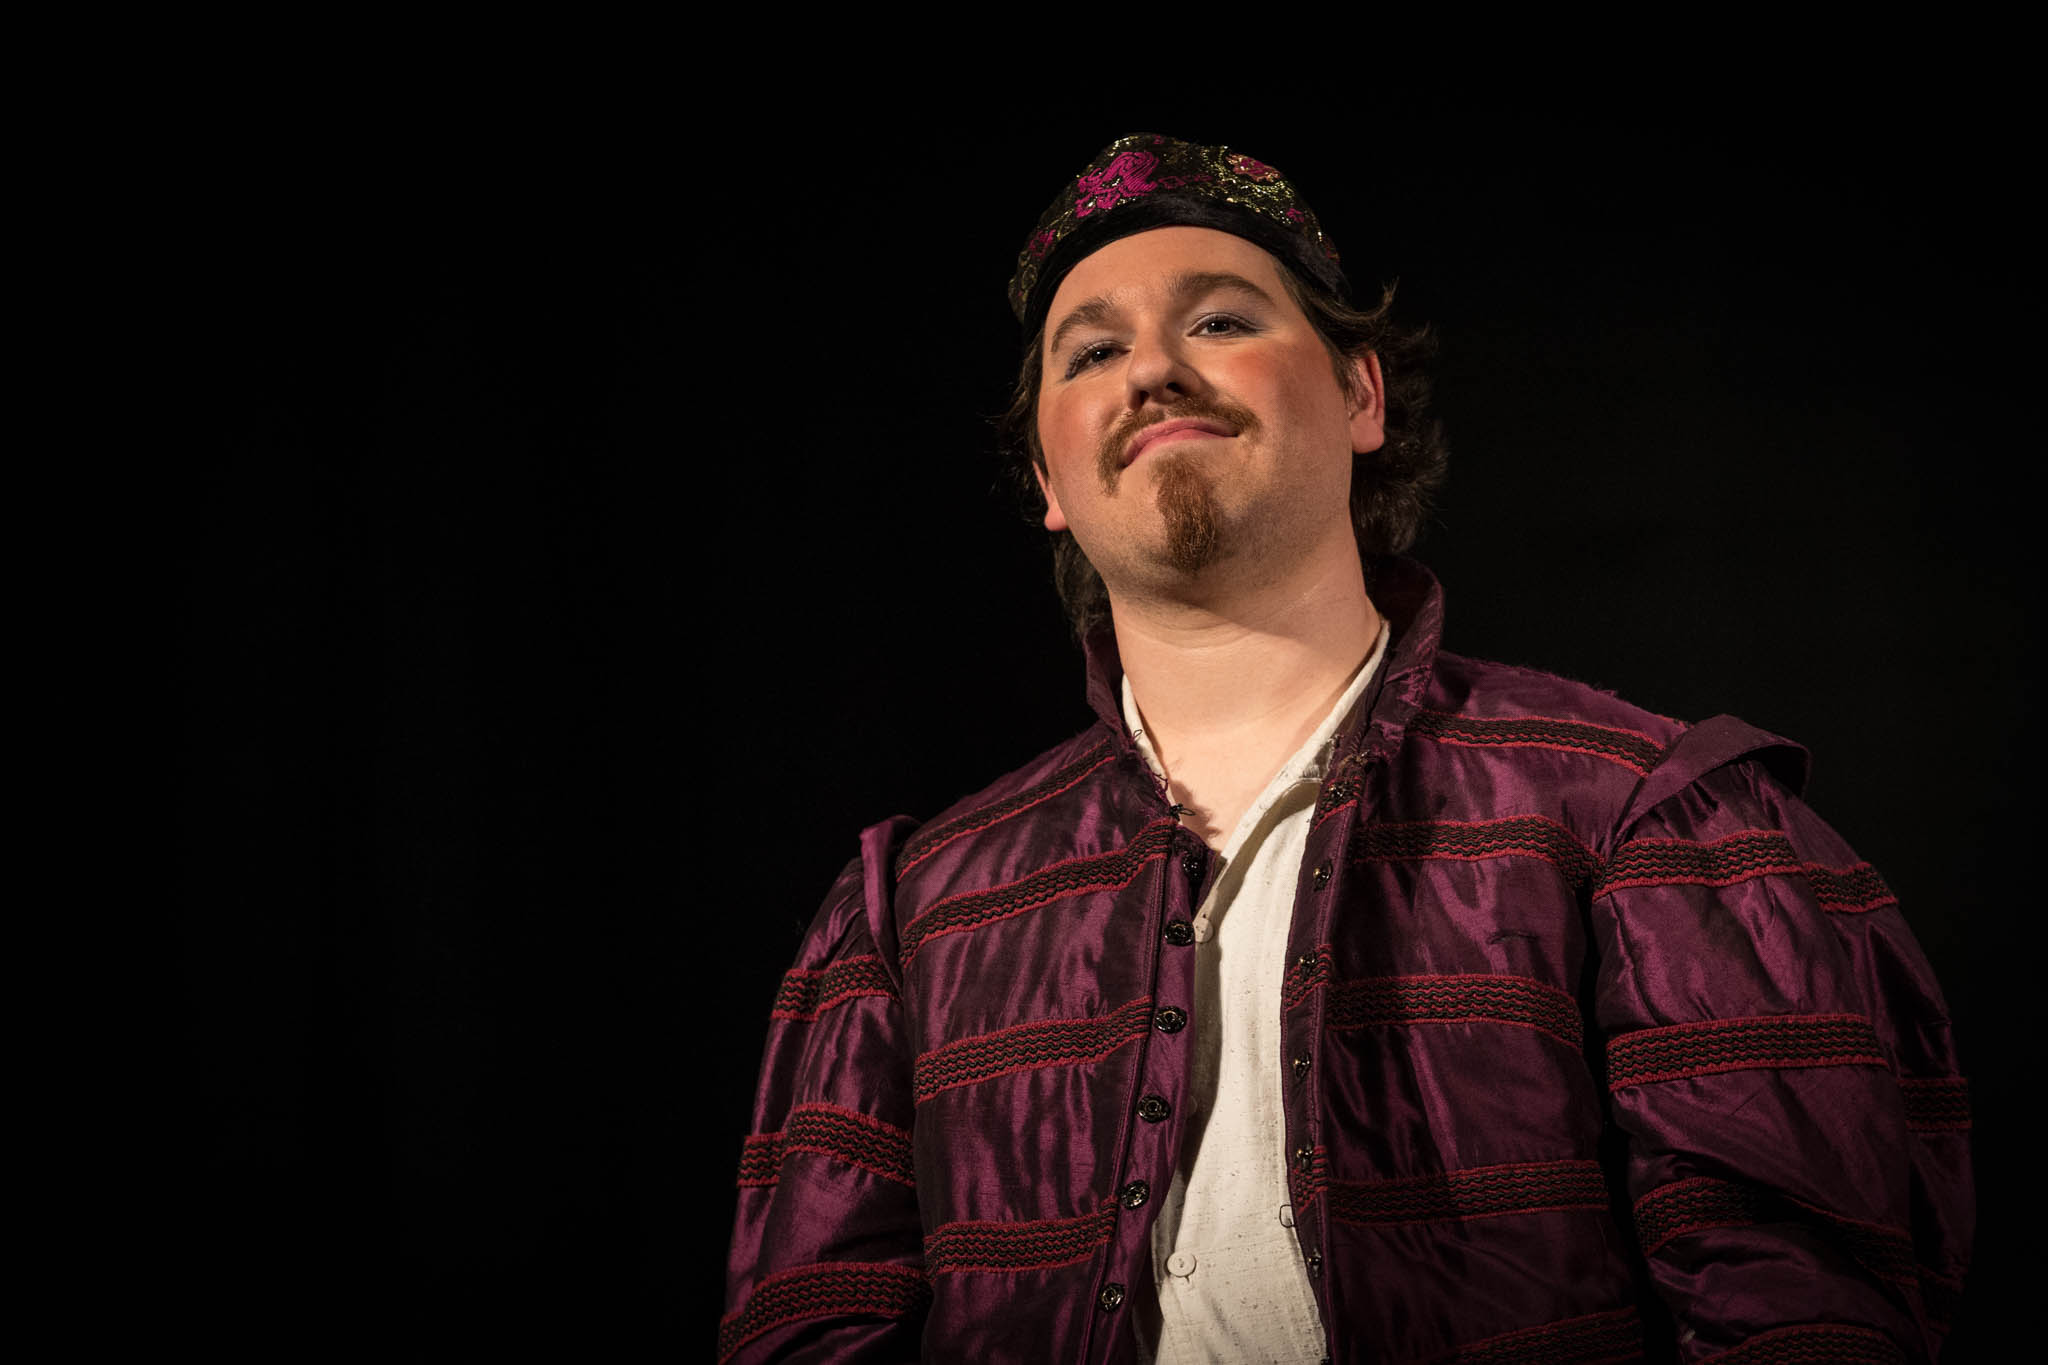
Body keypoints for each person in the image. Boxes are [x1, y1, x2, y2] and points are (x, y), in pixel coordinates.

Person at [719, 134, 1972, 1364]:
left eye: (1217, 322)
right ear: (1047, 473)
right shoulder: (909, 913)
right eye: (1091, 350)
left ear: (1359, 394)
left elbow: (1797, 1317)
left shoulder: (1634, 816)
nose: (1151, 369)